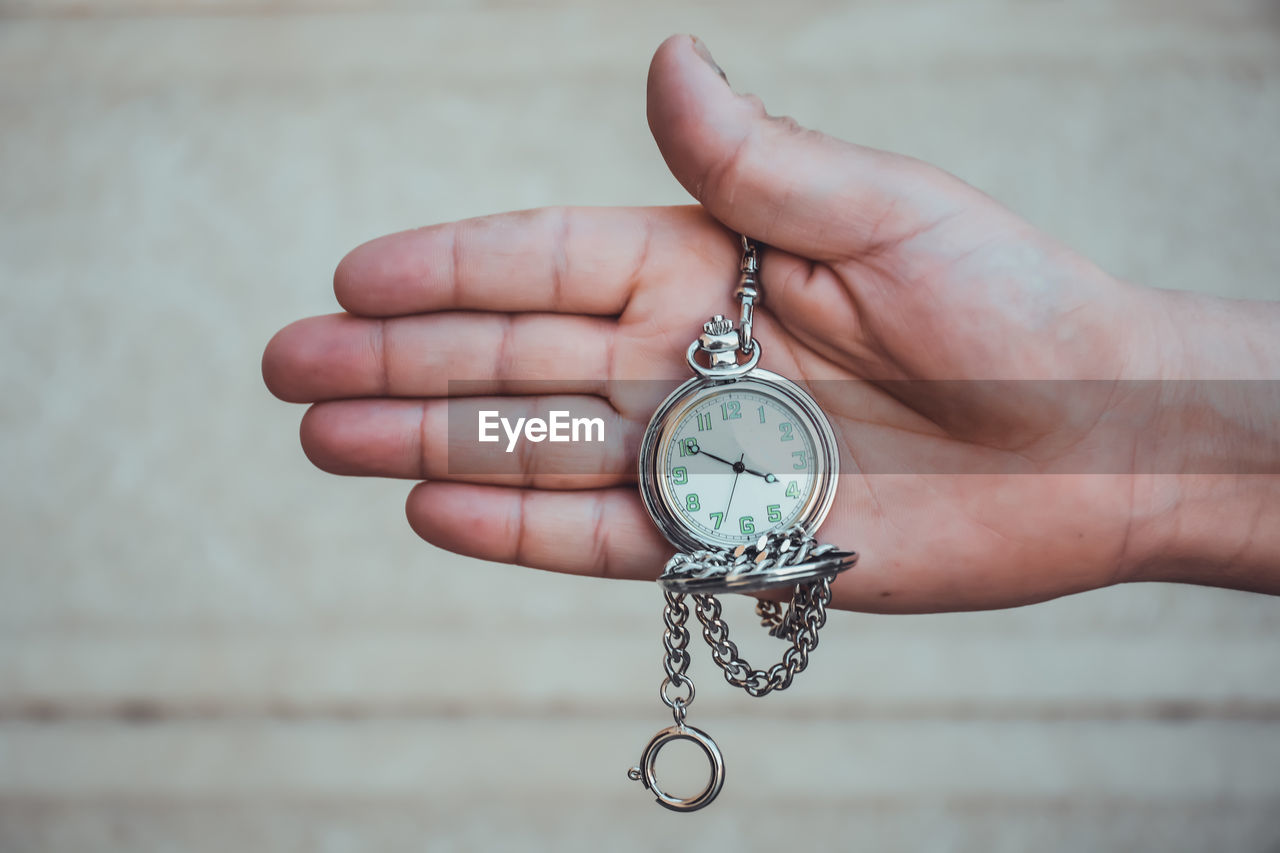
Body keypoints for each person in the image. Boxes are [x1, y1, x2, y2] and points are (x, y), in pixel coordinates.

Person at [262, 35, 1279, 612]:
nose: (749, 473)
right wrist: (1148, 424)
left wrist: (1142, 420)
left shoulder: (776, 423)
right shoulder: (707, 429)